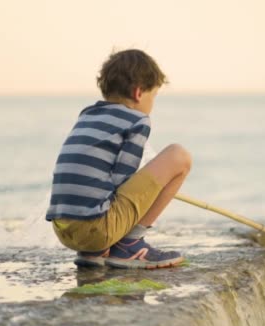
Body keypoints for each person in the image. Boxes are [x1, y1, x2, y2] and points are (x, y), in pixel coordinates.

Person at [45, 49, 191, 269]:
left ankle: (94, 253)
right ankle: (128, 245)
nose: (153, 104)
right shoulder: (137, 120)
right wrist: (149, 189)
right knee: (179, 156)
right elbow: (121, 180)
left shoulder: (88, 114)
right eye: (154, 96)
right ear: (138, 93)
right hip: (96, 229)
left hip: (64, 230)